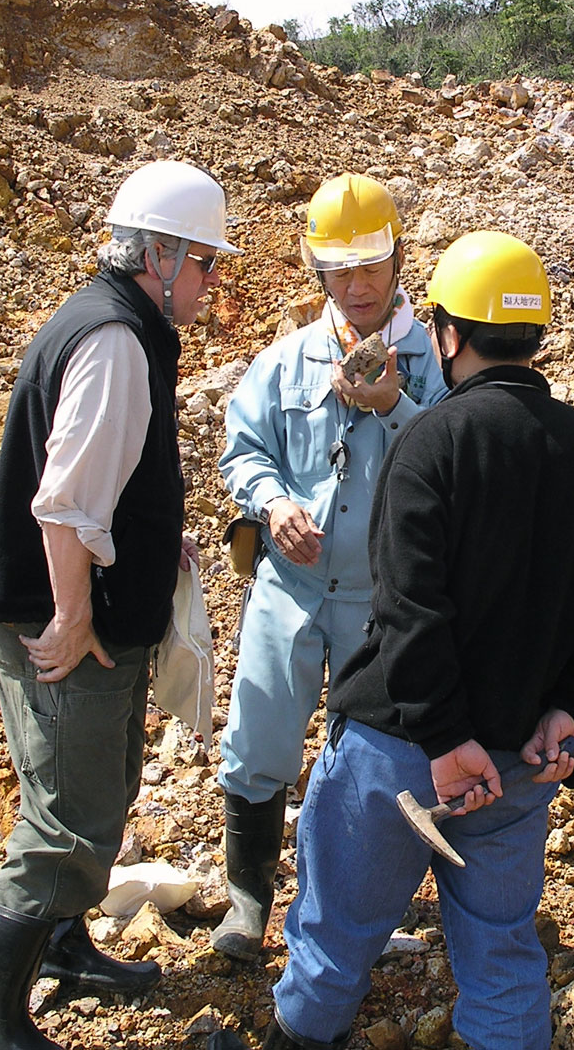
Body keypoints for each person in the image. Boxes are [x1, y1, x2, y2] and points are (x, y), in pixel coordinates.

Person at [208, 230, 574, 1050]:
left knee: (335, 934)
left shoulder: (431, 442)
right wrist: (573, 709)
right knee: (501, 949)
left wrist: (447, 741)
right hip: (519, 756)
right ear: (534, 333)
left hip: (403, 755)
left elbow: (408, 608)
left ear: (448, 334)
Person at [0, 160, 240, 1050]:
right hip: (67, 622)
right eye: (204, 262)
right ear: (159, 255)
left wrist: (157, 543)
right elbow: (68, 502)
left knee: (98, 790)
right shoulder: (116, 340)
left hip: (88, 609)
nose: (211, 280)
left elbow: (110, 481)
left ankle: (63, 947)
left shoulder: (116, 321)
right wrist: (73, 616)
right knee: (66, 821)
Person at [212, 173, 447, 961]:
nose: (357, 286)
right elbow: (243, 450)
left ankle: (356, 908)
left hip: (382, 603)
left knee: (371, 757)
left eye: (370, 266)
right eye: (340, 270)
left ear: (398, 258)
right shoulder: (286, 363)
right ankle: (248, 902)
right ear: (318, 270)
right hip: (291, 587)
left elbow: (457, 460)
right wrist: (274, 502)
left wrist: (395, 408)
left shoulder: (432, 362)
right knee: (258, 743)